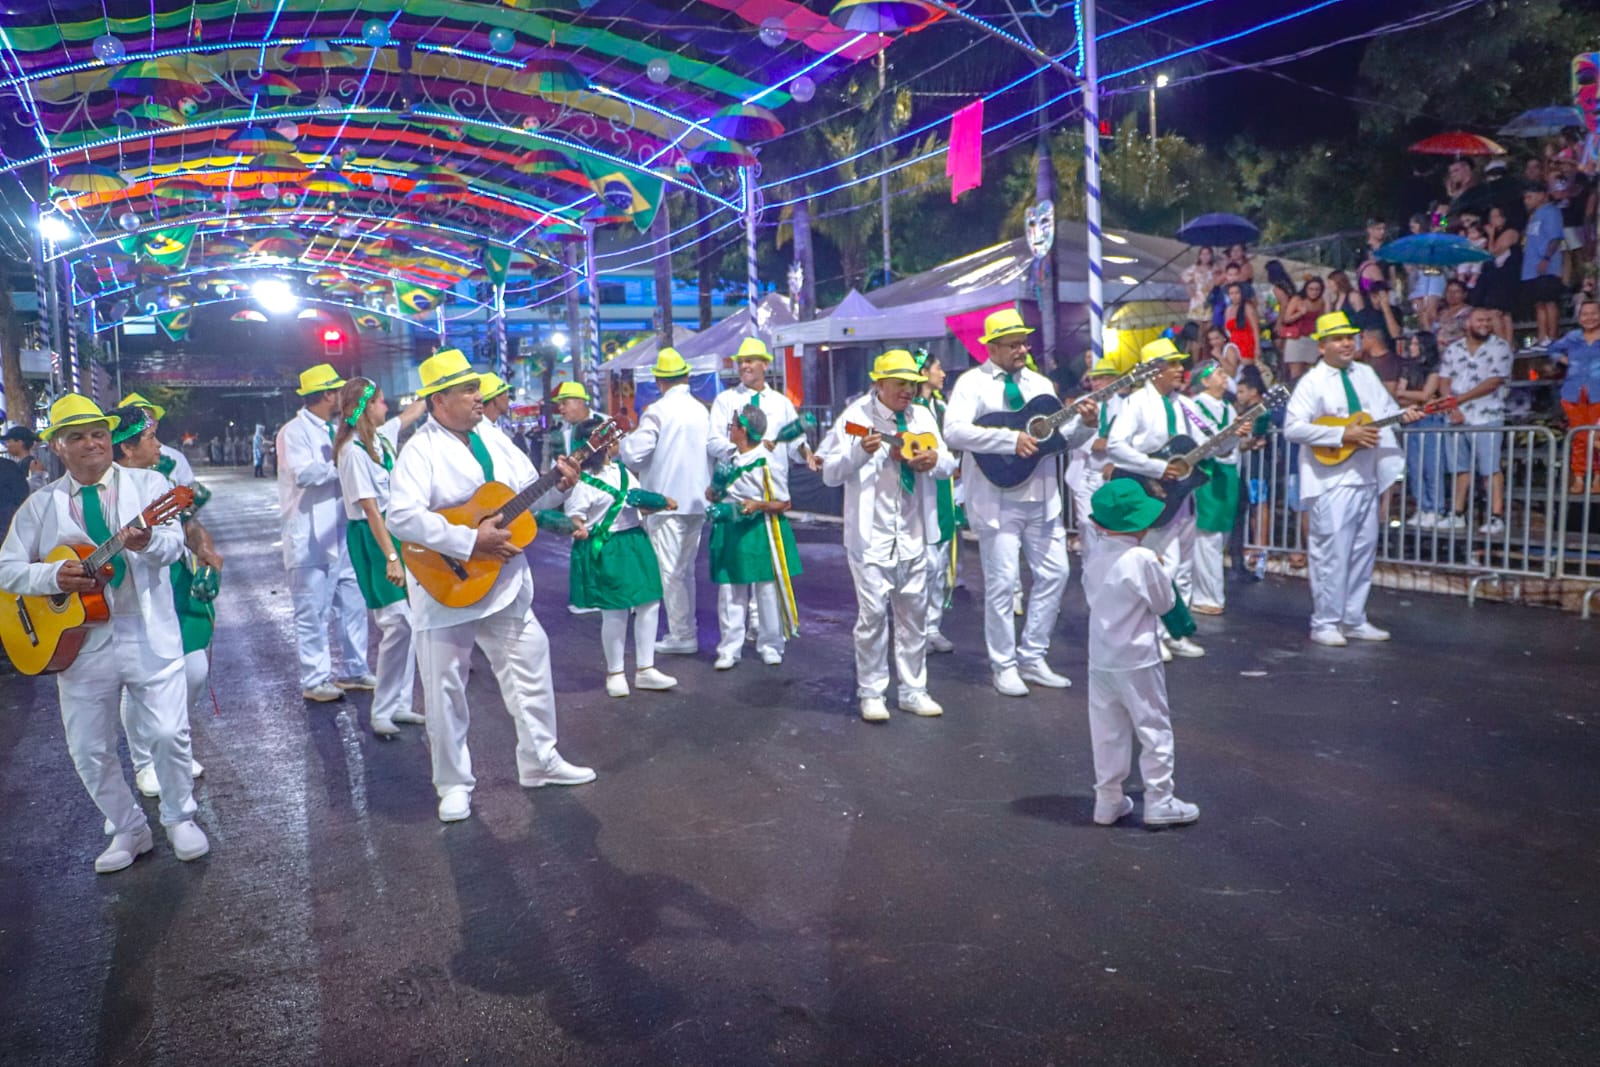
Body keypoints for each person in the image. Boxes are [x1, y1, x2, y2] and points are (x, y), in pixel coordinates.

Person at [0, 395, 210, 871]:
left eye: (98, 433)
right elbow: (7, 569)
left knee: (167, 731)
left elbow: (175, 545)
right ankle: (129, 827)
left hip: (147, 631)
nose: (92, 443)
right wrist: (52, 579)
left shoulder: (150, 485)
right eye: (77, 436)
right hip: (80, 643)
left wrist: (150, 539)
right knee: (88, 747)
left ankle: (180, 817)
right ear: (57, 446)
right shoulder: (41, 505)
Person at [386, 349, 593, 823]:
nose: (480, 396)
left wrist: (560, 485)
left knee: (531, 665)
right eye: (467, 390)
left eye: (477, 388)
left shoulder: (494, 437)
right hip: (448, 584)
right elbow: (401, 516)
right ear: (439, 400)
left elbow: (528, 498)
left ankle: (541, 761)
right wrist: (466, 540)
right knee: (444, 687)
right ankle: (453, 783)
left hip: (504, 582)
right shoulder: (420, 450)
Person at [942, 308, 1097, 696]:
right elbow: (954, 431)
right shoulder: (971, 384)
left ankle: (1032, 656)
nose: (1022, 349)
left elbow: (1060, 440)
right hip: (996, 499)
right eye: (1013, 343)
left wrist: (1087, 425)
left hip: (1042, 497)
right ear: (992, 347)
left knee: (1057, 574)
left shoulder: (1040, 383)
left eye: (1024, 341)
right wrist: (1007, 440)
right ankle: (1004, 664)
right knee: (1002, 584)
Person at [818, 350, 957, 722]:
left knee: (914, 615)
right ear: (879, 384)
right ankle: (872, 690)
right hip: (870, 537)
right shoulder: (855, 419)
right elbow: (830, 471)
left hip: (912, 533)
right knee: (873, 616)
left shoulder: (923, 415)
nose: (908, 391)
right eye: (900, 384)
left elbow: (948, 463)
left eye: (912, 383)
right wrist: (859, 454)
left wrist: (934, 461)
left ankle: (913, 690)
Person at [1283, 312, 1422, 647]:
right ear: (1321, 346)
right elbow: (1293, 428)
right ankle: (1325, 621)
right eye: (1337, 338)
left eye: (1350, 337)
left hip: (1364, 474)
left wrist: (1404, 415)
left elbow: (1386, 411)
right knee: (1331, 551)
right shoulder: (1312, 382)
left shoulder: (1367, 374)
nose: (1346, 343)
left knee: (1362, 550)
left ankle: (1353, 617)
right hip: (1330, 479)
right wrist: (1342, 433)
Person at [107, 405, 217, 797]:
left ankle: (173, 745)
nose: (158, 443)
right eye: (150, 436)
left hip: (174, 575)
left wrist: (205, 550)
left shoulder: (167, 467)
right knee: (139, 683)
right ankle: (145, 761)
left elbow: (189, 519)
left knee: (193, 669)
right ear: (126, 448)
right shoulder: (103, 484)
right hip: (126, 595)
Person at [1081, 479, 1200, 829]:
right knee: (1153, 727)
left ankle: (1108, 800)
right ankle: (1160, 799)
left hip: (1101, 657)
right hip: (1138, 658)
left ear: (1100, 523)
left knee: (1107, 730)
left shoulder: (1094, 556)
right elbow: (1164, 603)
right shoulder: (1143, 558)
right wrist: (1160, 570)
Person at [1105, 338, 1207, 660]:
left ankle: (1171, 631)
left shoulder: (1185, 404)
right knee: (1154, 565)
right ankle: (1149, 634)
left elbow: (1205, 441)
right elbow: (1116, 447)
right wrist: (1156, 467)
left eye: (1180, 363)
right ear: (1155, 371)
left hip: (1179, 496)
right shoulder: (1136, 403)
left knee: (1177, 566)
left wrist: (1229, 439)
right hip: (1150, 491)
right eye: (1174, 364)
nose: (1180, 370)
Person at [333, 378, 425, 738]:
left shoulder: (380, 438)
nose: (387, 407)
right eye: (381, 402)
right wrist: (391, 556)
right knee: (397, 623)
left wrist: (433, 389)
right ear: (367, 407)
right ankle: (382, 710)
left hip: (395, 532)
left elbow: (411, 414)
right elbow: (370, 509)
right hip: (374, 539)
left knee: (410, 623)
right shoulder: (353, 451)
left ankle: (400, 704)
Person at [277, 363, 372, 702]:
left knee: (353, 603)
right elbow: (304, 474)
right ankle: (315, 679)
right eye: (337, 392)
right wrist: (343, 465)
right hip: (309, 539)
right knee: (312, 611)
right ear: (328, 394)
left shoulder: (337, 429)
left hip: (342, 529)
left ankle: (355, 670)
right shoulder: (294, 432)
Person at [564, 436, 679, 698]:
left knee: (649, 603)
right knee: (616, 610)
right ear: (602, 446)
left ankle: (645, 669)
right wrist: (577, 526)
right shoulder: (583, 482)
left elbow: (634, 506)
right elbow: (575, 516)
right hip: (608, 546)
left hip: (634, 541)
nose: (618, 441)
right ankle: (615, 673)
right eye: (612, 438)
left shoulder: (623, 471)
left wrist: (660, 503)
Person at [617, 348, 711, 656]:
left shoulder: (657, 411)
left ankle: (682, 634)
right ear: (686, 376)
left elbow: (634, 454)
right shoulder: (702, 410)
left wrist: (624, 441)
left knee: (670, 572)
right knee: (684, 571)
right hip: (697, 501)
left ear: (659, 381)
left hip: (665, 503)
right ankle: (687, 629)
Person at [706, 405, 801, 670]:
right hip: (731, 528)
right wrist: (713, 493)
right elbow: (714, 493)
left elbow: (784, 503)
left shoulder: (767, 461)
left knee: (767, 590)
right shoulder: (729, 459)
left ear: (743, 429)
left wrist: (757, 505)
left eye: (733, 425)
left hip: (760, 530)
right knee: (730, 591)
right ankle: (729, 648)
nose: (730, 429)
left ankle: (771, 645)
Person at [1438, 306, 1513, 535]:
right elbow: (1444, 380)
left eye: (1489, 321)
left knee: (1490, 469)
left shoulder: (1500, 347)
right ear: (1468, 323)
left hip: (1487, 415)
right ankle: (1457, 514)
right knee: (1459, 468)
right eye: (1480, 320)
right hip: (1456, 418)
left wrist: (1459, 399)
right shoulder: (1453, 349)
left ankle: (1496, 516)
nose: (1485, 324)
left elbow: (1494, 381)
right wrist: (1452, 407)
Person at [911, 351, 962, 653]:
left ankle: (933, 626)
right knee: (924, 564)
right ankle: (916, 628)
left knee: (940, 561)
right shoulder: (910, 411)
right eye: (937, 368)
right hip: (920, 491)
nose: (942, 374)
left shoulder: (942, 408)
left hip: (945, 487)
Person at [707, 336, 820, 470]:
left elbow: (795, 443)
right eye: (740, 362)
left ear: (765, 364)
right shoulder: (725, 400)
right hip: (738, 485)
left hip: (774, 486)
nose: (743, 366)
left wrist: (806, 453)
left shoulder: (781, 403)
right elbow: (713, 443)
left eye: (749, 361)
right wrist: (745, 449)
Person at [1186, 363, 1242, 615]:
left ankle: (1209, 593)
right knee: (1207, 534)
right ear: (1205, 381)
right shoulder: (1194, 406)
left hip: (1227, 472)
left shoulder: (1228, 408)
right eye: (1218, 373)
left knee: (1219, 535)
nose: (1224, 376)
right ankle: (1205, 595)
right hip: (1207, 471)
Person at [1395, 332, 1449, 529]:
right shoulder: (1408, 367)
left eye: (1416, 344)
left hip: (1430, 418)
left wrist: (1407, 393)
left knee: (1432, 465)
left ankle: (1436, 508)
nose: (1412, 347)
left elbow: (1426, 394)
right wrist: (1414, 396)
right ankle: (1422, 506)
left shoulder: (1435, 367)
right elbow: (1400, 396)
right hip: (1411, 418)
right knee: (1415, 466)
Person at [1551, 298, 1600, 494]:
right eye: (1585, 314)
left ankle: (1598, 476)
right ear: (1579, 318)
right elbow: (1552, 349)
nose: (1589, 317)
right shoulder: (1573, 337)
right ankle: (1579, 477)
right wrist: (1566, 361)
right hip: (1573, 393)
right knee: (1579, 437)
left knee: (1597, 437)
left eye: (1594, 313)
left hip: (1598, 393)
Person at [1522, 182, 1568, 346]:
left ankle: (1553, 336)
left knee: (1549, 301)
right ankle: (1542, 337)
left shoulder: (1551, 212)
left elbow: (1555, 238)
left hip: (1546, 266)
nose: (1527, 201)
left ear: (1542, 195)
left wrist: (1546, 259)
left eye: (1530, 196)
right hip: (1531, 267)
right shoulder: (1533, 216)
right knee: (1539, 303)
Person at [1472, 205, 1522, 343]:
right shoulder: (1496, 233)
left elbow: (1494, 252)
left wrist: (1491, 234)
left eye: (1496, 216)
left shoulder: (1510, 232)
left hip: (1506, 276)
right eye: (1491, 217)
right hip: (1496, 276)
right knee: (1501, 312)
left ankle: (1504, 343)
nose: (1492, 220)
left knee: (1498, 311)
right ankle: (1506, 343)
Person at [1279, 276, 1326, 381]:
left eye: (1317, 289)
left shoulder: (1321, 301)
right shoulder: (1297, 300)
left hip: (1312, 339)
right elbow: (1286, 319)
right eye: (1311, 289)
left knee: (1311, 373)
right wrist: (1300, 313)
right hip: (1297, 339)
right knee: (1296, 374)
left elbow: (1322, 319)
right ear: (1306, 289)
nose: (1314, 292)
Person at [545, 381, 594, 463]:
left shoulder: (605, 423)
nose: (560, 408)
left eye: (564, 403)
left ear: (579, 402)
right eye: (559, 404)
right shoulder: (561, 432)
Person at [1181, 247, 1220, 319]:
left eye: (1207, 254)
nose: (1205, 256)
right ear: (1199, 256)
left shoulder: (1215, 268)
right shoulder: (1194, 268)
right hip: (1197, 297)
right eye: (1203, 254)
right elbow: (1183, 278)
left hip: (1211, 296)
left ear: (1211, 255)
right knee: (1198, 322)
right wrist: (1189, 289)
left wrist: (1215, 272)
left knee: (1209, 321)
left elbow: (1218, 281)